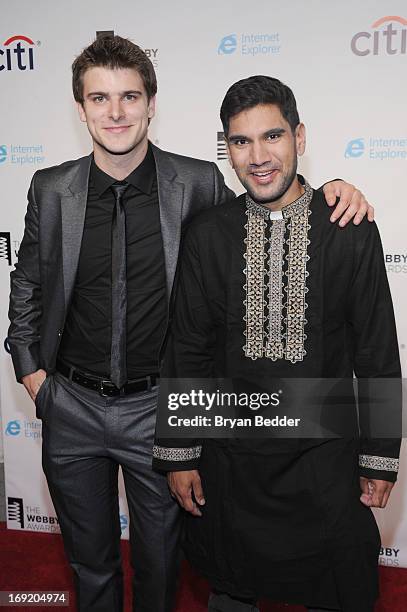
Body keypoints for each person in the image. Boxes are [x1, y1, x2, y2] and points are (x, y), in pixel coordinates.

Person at [8, 33, 372, 612]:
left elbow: (266, 200)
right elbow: (27, 282)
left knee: (161, 564)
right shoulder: (50, 188)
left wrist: (332, 191)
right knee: (89, 563)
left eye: (130, 96)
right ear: (81, 109)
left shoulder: (197, 183)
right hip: (70, 405)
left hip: (160, 407)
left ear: (152, 103)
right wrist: (34, 376)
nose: (116, 111)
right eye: (99, 98)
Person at [153, 76, 401, 612]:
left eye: (273, 137)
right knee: (231, 590)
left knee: (339, 589)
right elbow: (189, 349)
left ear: (300, 137)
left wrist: (380, 456)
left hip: (325, 465)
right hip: (233, 465)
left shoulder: (347, 228)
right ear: (227, 149)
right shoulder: (208, 234)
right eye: (241, 142)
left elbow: (376, 351)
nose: (258, 156)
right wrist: (179, 454)